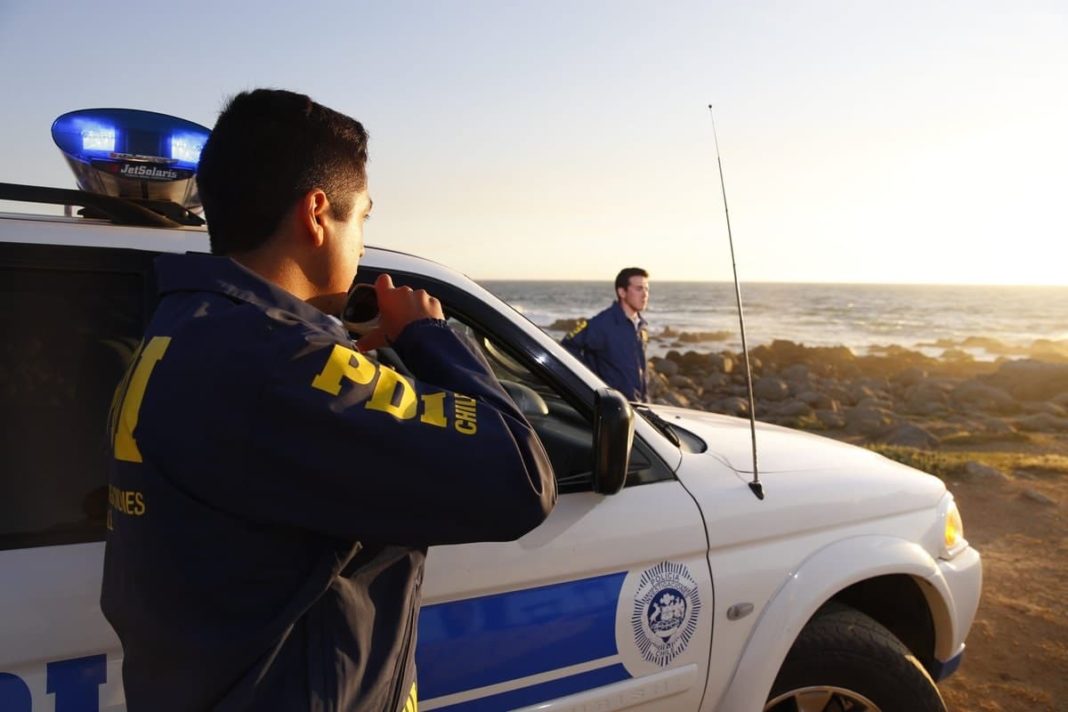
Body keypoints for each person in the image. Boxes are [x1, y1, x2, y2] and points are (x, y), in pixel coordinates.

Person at [101, 89, 556, 712]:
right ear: (317, 213)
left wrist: (347, 375)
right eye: (362, 218)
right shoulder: (277, 361)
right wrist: (429, 337)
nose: (364, 245)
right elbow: (520, 478)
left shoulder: (183, 329)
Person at [561, 267, 650, 402]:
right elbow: (567, 346)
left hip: (637, 406)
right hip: (612, 408)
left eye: (646, 289)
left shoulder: (641, 326)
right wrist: (593, 380)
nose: (645, 294)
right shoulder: (602, 324)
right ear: (622, 292)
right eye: (639, 289)